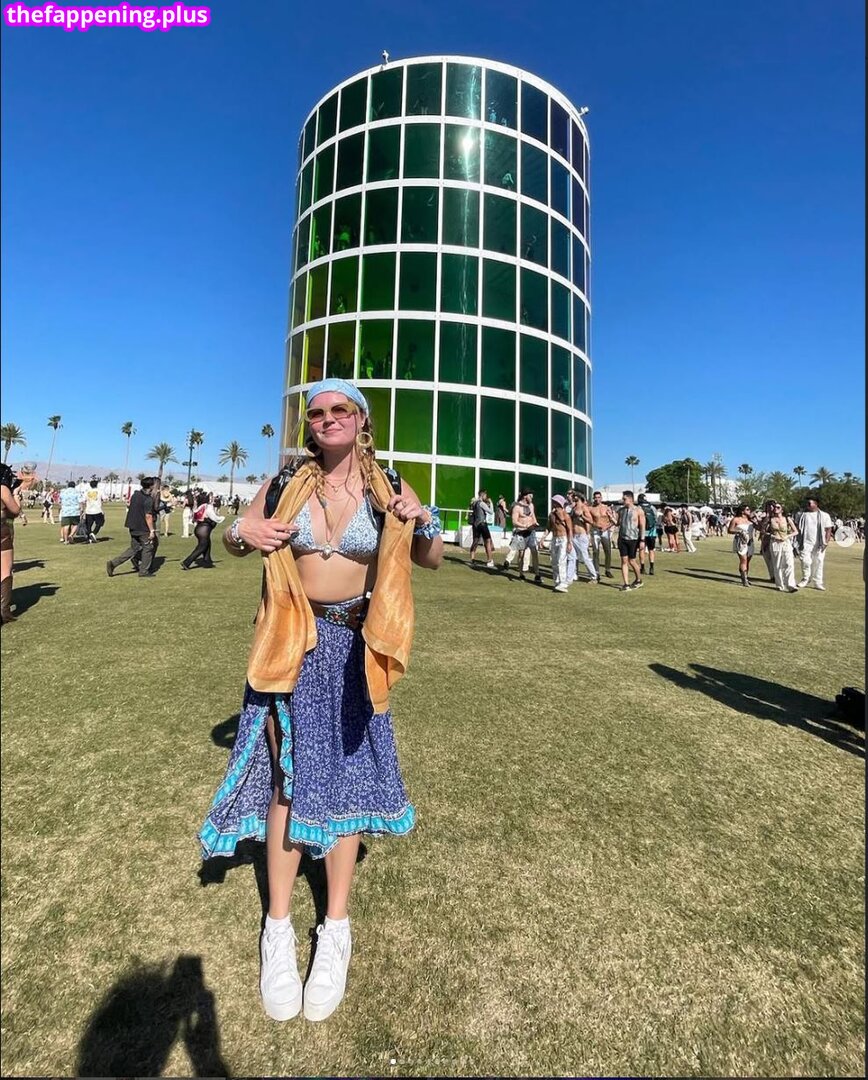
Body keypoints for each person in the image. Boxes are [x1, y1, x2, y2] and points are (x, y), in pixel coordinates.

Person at [198, 378, 442, 1024]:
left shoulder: (389, 486)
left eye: (339, 410)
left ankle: (335, 928)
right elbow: (236, 538)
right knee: (289, 779)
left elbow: (432, 558)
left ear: (361, 420)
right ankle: (278, 929)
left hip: (357, 647)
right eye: (316, 413)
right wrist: (241, 529)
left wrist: (424, 519)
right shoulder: (287, 482)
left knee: (349, 777)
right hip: (293, 643)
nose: (327, 419)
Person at [106, 476, 159, 578]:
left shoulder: (136, 495)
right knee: (148, 548)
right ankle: (144, 571)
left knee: (134, 548)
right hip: (143, 528)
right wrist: (152, 530)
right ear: (151, 486)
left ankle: (113, 563)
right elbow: (148, 516)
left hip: (133, 526)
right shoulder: (148, 499)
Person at [499, 489, 541, 582]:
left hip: (531, 532)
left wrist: (535, 523)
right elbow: (514, 522)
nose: (532, 497)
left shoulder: (531, 505)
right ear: (525, 496)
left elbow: (533, 516)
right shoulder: (517, 507)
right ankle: (521, 574)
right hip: (521, 533)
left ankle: (537, 574)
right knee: (521, 553)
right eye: (530, 496)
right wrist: (524, 526)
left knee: (534, 552)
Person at [796, 497, 833, 591]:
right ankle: (805, 579)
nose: (808, 505)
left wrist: (826, 542)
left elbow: (828, 529)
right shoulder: (801, 515)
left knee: (819, 562)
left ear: (816, 504)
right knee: (805, 561)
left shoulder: (824, 515)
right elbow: (797, 528)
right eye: (807, 503)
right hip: (805, 542)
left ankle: (818, 582)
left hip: (819, 543)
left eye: (810, 503)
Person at [181, 493, 225, 570]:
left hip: (198, 528)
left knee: (207, 544)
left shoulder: (198, 507)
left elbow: (194, 519)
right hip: (204, 529)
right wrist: (222, 518)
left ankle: (207, 561)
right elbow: (214, 517)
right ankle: (186, 562)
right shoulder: (208, 507)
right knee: (202, 547)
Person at [1, 464, 22, 624]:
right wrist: (15, 494)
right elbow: (14, 510)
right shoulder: (2, 488)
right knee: (5, 570)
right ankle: (4, 611)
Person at [762, 503, 799, 592]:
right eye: (775, 507)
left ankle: (791, 585)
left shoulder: (787, 519)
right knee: (777, 564)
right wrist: (772, 536)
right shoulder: (770, 519)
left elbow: (796, 531)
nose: (776, 508)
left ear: (782, 510)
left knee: (789, 563)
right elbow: (763, 531)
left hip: (786, 542)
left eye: (778, 507)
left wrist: (787, 536)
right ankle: (780, 585)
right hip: (775, 543)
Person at [616, 490, 646, 591]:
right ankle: (626, 584)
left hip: (633, 539)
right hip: (622, 538)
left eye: (624, 499)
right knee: (624, 560)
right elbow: (617, 523)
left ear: (630, 499)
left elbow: (642, 526)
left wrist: (642, 540)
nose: (623, 500)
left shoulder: (638, 510)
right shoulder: (621, 510)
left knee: (632, 561)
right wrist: (611, 517)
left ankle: (638, 579)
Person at [566, 492, 597, 583]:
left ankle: (594, 576)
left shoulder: (584, 507)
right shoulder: (573, 508)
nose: (574, 499)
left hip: (581, 536)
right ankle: (572, 576)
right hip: (573, 536)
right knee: (572, 556)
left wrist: (582, 516)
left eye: (576, 497)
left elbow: (590, 521)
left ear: (579, 498)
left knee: (585, 557)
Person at [546, 495, 573, 592]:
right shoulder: (551, 515)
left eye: (555, 502)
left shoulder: (565, 515)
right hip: (554, 538)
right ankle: (557, 582)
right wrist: (542, 539)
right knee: (554, 561)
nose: (553, 503)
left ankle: (563, 583)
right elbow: (548, 527)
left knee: (561, 560)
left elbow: (570, 530)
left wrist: (569, 543)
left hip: (563, 539)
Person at [588, 491, 617, 577]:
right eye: (595, 497)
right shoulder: (591, 509)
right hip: (595, 531)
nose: (597, 499)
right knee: (595, 552)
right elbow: (588, 520)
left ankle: (607, 569)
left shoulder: (606, 508)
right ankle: (596, 571)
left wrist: (606, 527)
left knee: (607, 551)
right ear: (593, 498)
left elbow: (613, 521)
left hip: (605, 531)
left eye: (598, 497)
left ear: (601, 498)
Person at [727, 504, 756, 586]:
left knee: (748, 561)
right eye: (747, 509)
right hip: (741, 541)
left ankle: (746, 577)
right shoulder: (736, 519)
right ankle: (744, 580)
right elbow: (730, 530)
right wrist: (739, 531)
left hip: (750, 541)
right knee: (743, 560)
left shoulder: (750, 520)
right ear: (742, 511)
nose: (749, 511)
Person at [468, 489, 495, 567]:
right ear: (482, 495)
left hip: (475, 524)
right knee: (487, 542)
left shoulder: (474, 503)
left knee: (475, 541)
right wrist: (491, 503)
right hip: (482, 524)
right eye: (485, 495)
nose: (486, 497)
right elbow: (491, 512)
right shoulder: (482, 503)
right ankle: (490, 560)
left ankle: (472, 559)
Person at [637, 494, 658, 576]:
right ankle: (651, 567)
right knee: (651, 550)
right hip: (652, 532)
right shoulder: (652, 507)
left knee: (641, 549)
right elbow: (655, 519)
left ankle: (642, 567)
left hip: (641, 531)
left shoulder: (638, 507)